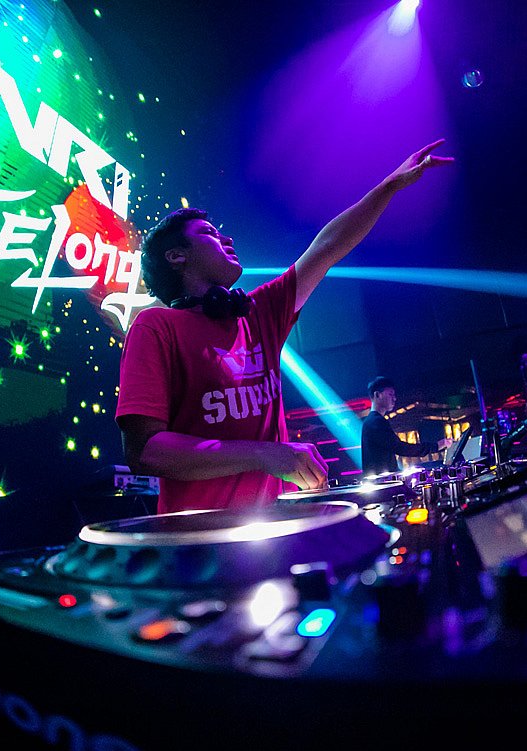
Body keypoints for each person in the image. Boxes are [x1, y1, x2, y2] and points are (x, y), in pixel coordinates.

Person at [116, 141, 453, 513]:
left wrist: (389, 186)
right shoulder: (155, 326)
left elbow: (327, 247)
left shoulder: (257, 313)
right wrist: (264, 454)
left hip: (274, 528)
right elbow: (145, 451)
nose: (227, 239)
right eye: (209, 233)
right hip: (198, 538)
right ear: (176, 256)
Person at [360, 376, 451, 478]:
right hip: (381, 483)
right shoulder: (375, 421)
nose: (394, 398)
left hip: (379, 481)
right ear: (377, 395)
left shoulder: (373, 421)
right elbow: (400, 448)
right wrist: (436, 446)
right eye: (390, 394)